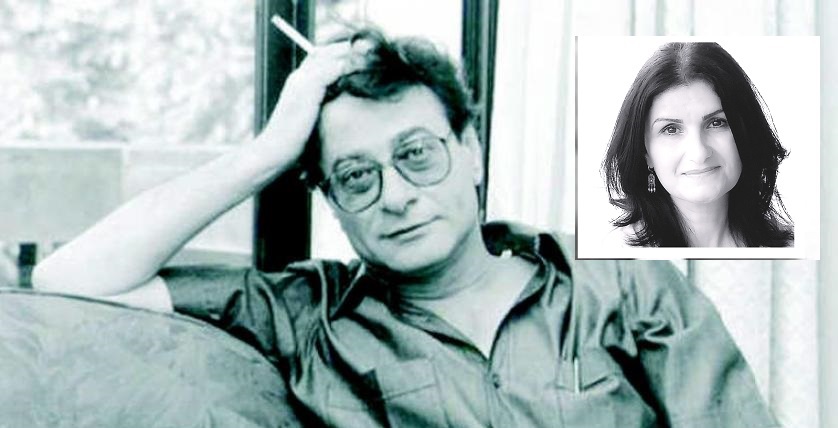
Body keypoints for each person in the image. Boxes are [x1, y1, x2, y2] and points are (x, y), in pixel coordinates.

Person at [33, 30, 778, 427]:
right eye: (357, 176)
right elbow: (71, 276)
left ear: (471, 151)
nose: (395, 196)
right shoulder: (309, 317)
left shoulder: (625, 286)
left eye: (417, 154)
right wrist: (265, 154)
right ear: (332, 200)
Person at [602, 41, 793, 247]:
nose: (699, 153)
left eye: (717, 123)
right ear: (645, 152)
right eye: (671, 129)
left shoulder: (794, 247)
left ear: (746, 132)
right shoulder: (616, 254)